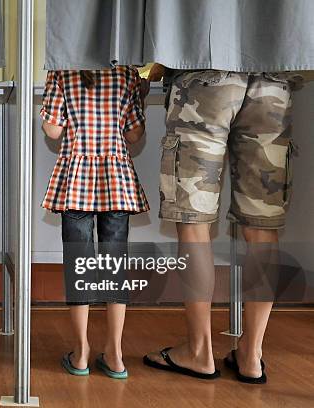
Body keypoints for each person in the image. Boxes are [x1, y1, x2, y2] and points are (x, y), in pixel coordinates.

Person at [144, 65, 300, 384]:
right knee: (263, 227)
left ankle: (199, 352)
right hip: (272, 79)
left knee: (194, 224)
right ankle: (251, 355)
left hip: (206, 72)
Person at [40, 68, 149, 378]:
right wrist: (137, 96)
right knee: (116, 264)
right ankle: (115, 354)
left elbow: (51, 130)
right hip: (116, 180)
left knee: (80, 264)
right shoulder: (126, 74)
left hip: (76, 179)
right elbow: (134, 134)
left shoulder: (63, 72)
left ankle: (81, 352)